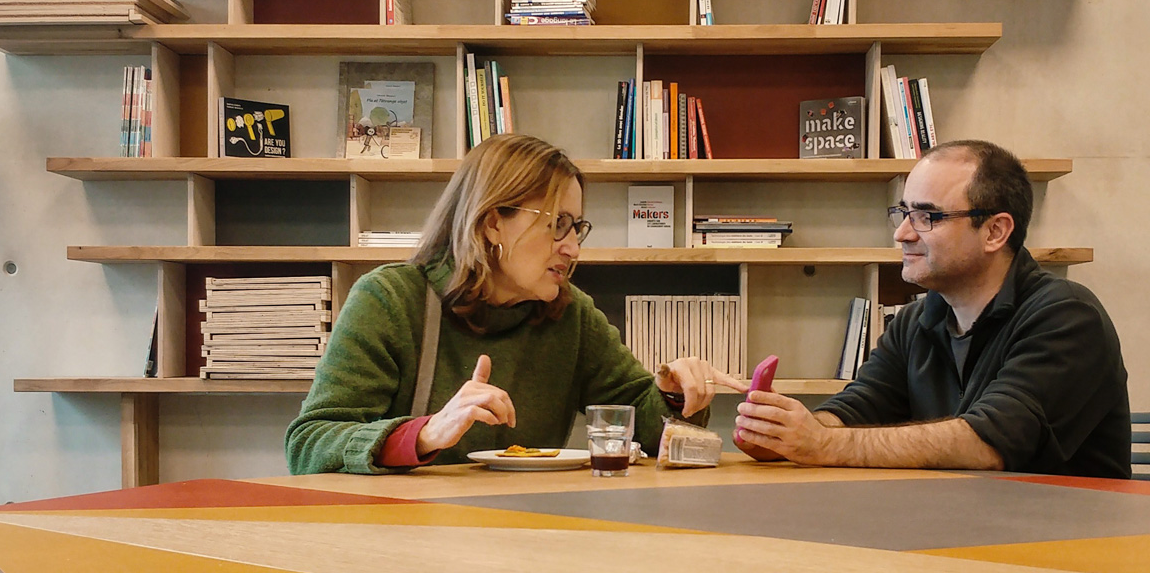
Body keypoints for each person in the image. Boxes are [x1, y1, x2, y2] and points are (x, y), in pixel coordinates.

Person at [287, 133, 745, 474]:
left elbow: (646, 432)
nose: (572, 248)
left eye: (577, 228)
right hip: (404, 540)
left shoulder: (571, 314)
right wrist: (424, 433)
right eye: (557, 224)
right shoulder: (390, 299)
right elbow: (309, 443)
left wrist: (671, 392)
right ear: (492, 223)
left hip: (528, 532)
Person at [735, 139, 1131, 478]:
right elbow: (859, 408)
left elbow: (991, 443)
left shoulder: (1067, 316)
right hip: (958, 527)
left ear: (995, 231)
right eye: (903, 213)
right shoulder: (914, 322)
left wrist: (820, 444)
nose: (902, 233)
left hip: (1065, 536)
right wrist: (784, 433)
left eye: (927, 217)